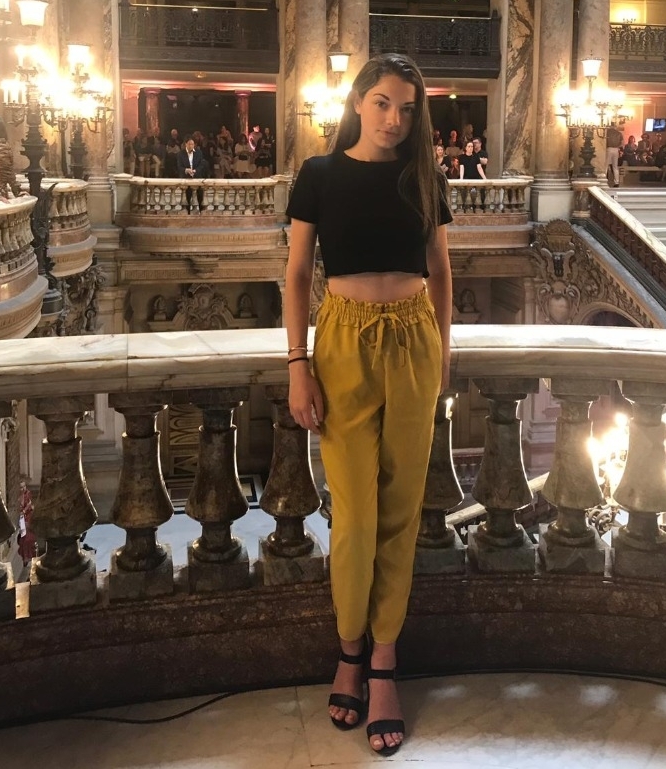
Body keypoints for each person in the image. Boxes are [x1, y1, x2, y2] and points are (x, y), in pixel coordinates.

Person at [285, 52, 452, 757]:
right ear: (357, 102)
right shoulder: (319, 175)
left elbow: (440, 271)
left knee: (400, 510)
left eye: (407, 109)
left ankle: (382, 660)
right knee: (352, 513)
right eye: (383, 102)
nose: (394, 119)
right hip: (343, 341)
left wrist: (442, 355)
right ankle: (348, 646)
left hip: (413, 340)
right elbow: (297, 275)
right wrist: (297, 365)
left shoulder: (424, 177)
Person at [177, 137, 205, 212]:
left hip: (197, 176)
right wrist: (186, 170)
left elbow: (201, 165)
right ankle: (187, 211)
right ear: (185, 144)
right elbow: (179, 167)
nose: (191, 146)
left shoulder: (199, 153)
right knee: (187, 195)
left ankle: (201, 210)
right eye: (189, 144)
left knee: (200, 194)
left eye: (192, 144)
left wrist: (195, 171)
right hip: (186, 177)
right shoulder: (180, 154)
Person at [605, 122, 623, 187]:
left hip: (609, 149)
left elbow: (604, 141)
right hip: (616, 149)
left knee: (606, 166)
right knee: (615, 166)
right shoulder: (619, 133)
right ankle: (616, 182)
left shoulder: (607, 132)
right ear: (615, 126)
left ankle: (604, 180)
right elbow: (621, 143)